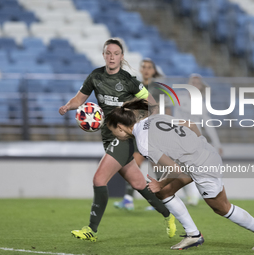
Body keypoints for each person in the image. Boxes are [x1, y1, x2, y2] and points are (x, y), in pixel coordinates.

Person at [105, 99, 254, 250]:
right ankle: (193, 235)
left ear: (120, 127)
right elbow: (191, 124)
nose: (114, 134)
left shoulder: (143, 143)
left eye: (112, 130)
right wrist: (197, 145)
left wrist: (160, 183)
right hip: (201, 154)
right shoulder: (154, 118)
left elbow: (175, 170)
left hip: (202, 165)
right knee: (164, 193)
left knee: (221, 207)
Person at [58, 39, 176, 242]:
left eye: (116, 53)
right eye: (108, 53)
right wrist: (67, 106)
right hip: (107, 137)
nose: (112, 57)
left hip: (124, 138)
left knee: (99, 179)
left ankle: (91, 230)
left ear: (122, 57)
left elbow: (153, 105)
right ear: (104, 55)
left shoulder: (129, 80)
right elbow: (80, 99)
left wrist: (133, 122)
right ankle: (168, 214)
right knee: (139, 182)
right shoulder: (95, 76)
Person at [113, 58, 171, 211]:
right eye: (144, 67)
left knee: (156, 167)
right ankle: (128, 199)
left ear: (153, 70)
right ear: (140, 69)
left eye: (149, 67)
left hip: (155, 132)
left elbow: (168, 110)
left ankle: (162, 200)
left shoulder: (159, 88)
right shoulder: (137, 88)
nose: (146, 70)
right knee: (133, 164)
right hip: (141, 132)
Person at [173, 73, 223, 206]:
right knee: (179, 169)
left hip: (194, 140)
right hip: (179, 138)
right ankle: (190, 196)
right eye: (193, 82)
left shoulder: (201, 104)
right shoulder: (180, 99)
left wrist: (217, 143)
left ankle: (194, 197)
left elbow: (208, 124)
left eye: (197, 83)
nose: (195, 85)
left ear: (200, 87)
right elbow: (174, 119)